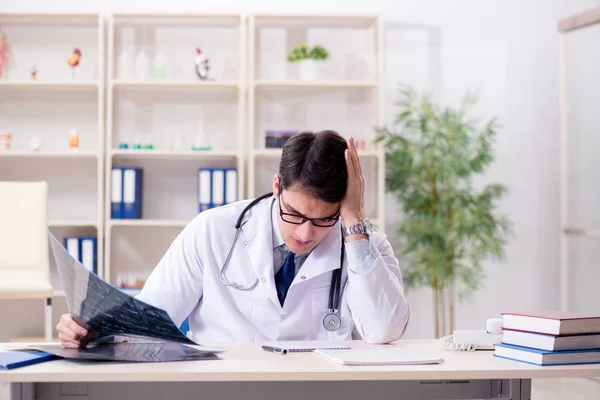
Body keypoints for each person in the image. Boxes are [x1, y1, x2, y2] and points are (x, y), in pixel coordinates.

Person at [57, 130, 410, 348]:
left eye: (323, 220)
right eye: (295, 214)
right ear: (276, 187)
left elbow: (384, 330)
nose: (305, 233)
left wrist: (352, 221)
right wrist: (94, 331)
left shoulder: (363, 241)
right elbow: (151, 320)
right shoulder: (212, 229)